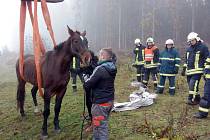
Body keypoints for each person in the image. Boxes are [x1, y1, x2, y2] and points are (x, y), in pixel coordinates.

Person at [83, 48, 117, 140]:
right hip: (109, 101)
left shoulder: (100, 69)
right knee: (99, 124)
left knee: (101, 127)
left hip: (100, 104)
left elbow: (87, 85)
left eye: (99, 55)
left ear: (102, 56)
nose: (98, 57)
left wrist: (85, 78)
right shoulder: (112, 67)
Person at [181, 32, 209, 105]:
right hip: (189, 71)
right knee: (192, 86)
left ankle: (191, 99)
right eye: (190, 41)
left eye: (192, 40)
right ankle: (197, 98)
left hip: (198, 71)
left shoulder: (203, 47)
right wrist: (184, 69)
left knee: (193, 84)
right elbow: (186, 60)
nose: (191, 42)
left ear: (197, 39)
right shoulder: (188, 49)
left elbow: (207, 59)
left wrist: (206, 70)